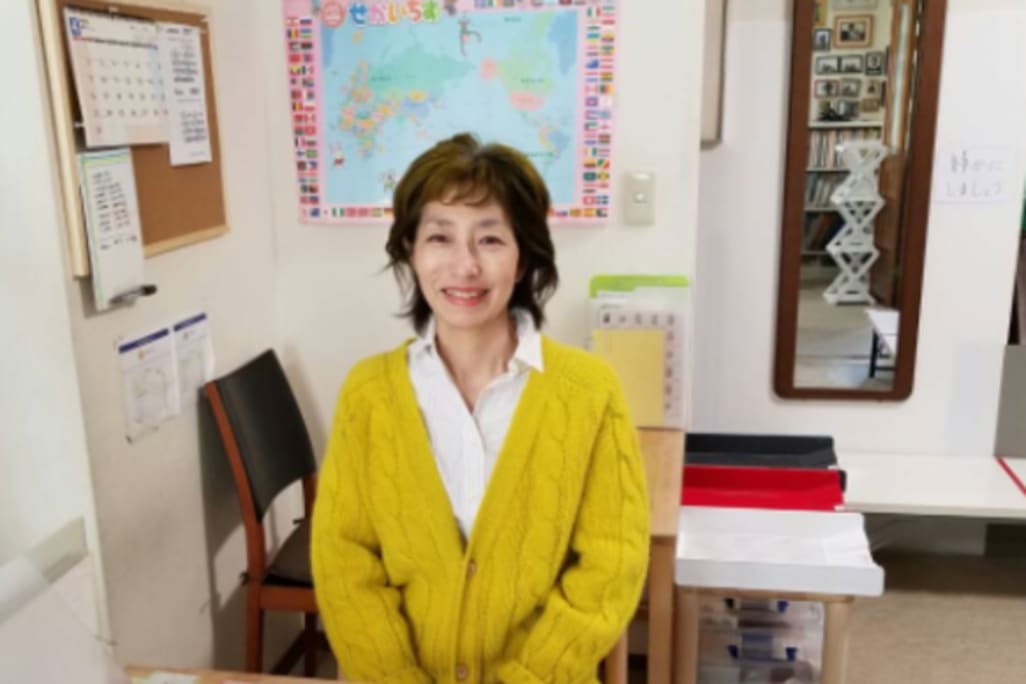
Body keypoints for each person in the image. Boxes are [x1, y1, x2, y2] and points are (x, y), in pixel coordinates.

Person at [311, 133, 650, 684]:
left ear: (522, 258)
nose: (464, 265)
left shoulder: (590, 392)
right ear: (411, 252)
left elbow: (611, 566)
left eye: (490, 239)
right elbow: (345, 562)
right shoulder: (368, 394)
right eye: (439, 237)